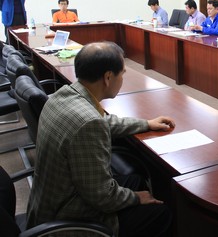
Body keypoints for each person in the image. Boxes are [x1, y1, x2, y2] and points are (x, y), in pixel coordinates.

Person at [26, 42, 175, 237]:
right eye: (122, 73)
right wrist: (136, 198)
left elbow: (105, 121)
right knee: (161, 214)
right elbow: (102, 197)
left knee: (134, 179)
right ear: (107, 78)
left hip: (48, 202)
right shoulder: (88, 124)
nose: (123, 78)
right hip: (69, 219)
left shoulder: (62, 95)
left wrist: (146, 124)